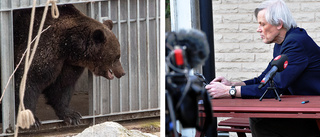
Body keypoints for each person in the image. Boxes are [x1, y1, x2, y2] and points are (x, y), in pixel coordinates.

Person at [205, 0, 320, 136]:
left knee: (261, 119)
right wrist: (233, 84)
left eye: (262, 24)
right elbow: (265, 79)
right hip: (305, 110)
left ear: (279, 24)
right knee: (260, 118)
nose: (258, 29)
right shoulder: (282, 43)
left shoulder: (295, 43)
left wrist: (229, 91)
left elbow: (274, 88)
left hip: (314, 116)